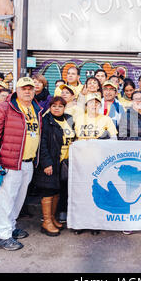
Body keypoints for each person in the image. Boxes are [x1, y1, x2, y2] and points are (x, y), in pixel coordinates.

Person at [0, 77, 43, 251]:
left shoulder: (36, 108)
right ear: (16, 90)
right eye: (23, 88)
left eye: (30, 89)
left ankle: (10, 227)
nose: (27, 91)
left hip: (28, 161)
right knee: (6, 199)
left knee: (18, 199)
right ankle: (2, 235)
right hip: (9, 162)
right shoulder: (4, 108)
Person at [73, 93, 117, 235]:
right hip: (81, 161)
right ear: (86, 105)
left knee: (96, 192)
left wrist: (99, 142)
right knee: (80, 192)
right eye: (91, 102)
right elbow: (72, 137)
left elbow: (114, 139)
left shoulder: (106, 119)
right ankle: (80, 223)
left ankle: (94, 223)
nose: (94, 105)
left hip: (99, 161)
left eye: (97, 103)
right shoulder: (79, 119)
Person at [34, 96, 75, 236]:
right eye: (54, 106)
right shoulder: (46, 121)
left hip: (64, 161)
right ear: (50, 107)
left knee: (56, 190)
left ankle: (52, 218)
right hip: (51, 160)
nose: (57, 108)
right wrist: (46, 163)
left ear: (65, 107)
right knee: (48, 190)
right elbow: (42, 143)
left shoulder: (69, 119)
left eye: (60, 106)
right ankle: (46, 222)